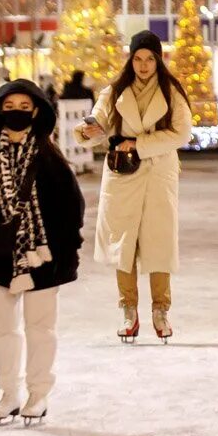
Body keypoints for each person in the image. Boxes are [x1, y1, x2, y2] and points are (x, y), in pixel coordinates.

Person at [0, 81, 85, 426]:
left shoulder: (50, 160)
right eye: (9, 106)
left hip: (43, 257)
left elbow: (72, 208)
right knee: (3, 329)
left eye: (25, 105)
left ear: (36, 111)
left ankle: (38, 393)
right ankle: (9, 393)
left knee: (40, 328)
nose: (17, 112)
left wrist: (68, 250)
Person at [76, 30, 193, 344]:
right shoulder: (115, 91)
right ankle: (128, 309)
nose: (143, 65)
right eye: (138, 59)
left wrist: (139, 143)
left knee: (158, 243)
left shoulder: (171, 93)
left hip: (157, 173)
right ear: (131, 60)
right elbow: (100, 121)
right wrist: (89, 130)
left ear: (158, 60)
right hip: (123, 174)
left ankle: (160, 309)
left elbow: (182, 134)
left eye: (149, 59)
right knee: (122, 244)